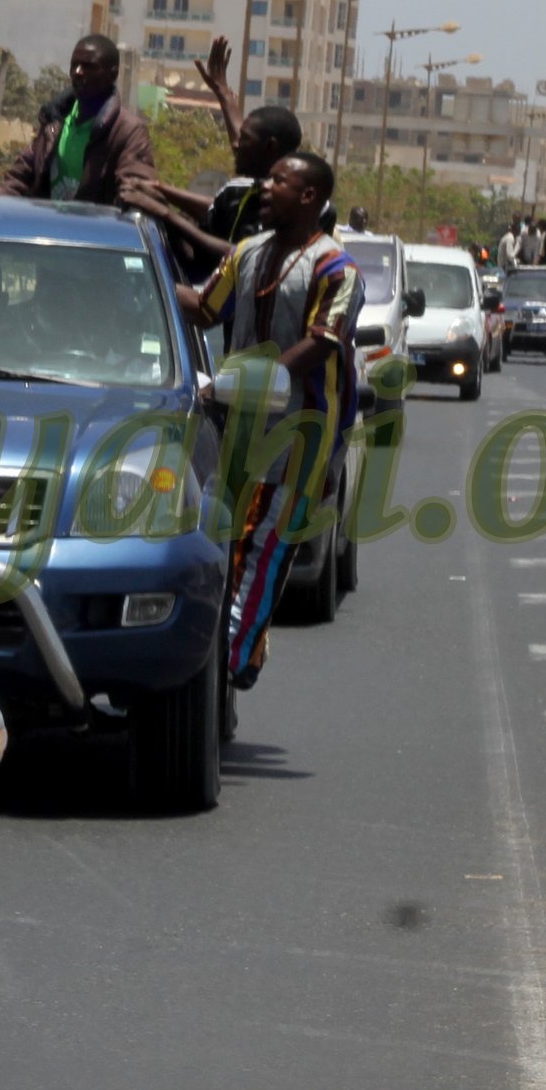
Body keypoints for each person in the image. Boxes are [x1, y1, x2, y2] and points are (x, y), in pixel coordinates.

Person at [171, 151, 360, 690]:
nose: (266, 188)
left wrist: (255, 379)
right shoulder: (248, 253)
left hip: (300, 439)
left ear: (309, 197)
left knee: (262, 549)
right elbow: (206, 308)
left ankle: (226, 665)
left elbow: (323, 342)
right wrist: (150, 275)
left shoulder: (335, 269)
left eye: (280, 180)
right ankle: (230, 660)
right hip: (238, 432)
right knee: (225, 546)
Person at [124, 92, 306, 281]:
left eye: (244, 139)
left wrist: (165, 213)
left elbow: (243, 255)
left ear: (270, 146)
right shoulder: (242, 190)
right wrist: (156, 192)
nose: (235, 145)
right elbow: (212, 212)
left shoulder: (296, 208)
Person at [0, 33, 157, 205]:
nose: (78, 72)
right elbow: (19, 177)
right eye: (74, 65)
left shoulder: (128, 132)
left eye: (89, 66)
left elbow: (137, 196)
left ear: (113, 73)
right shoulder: (55, 121)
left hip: (90, 231)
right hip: (47, 229)